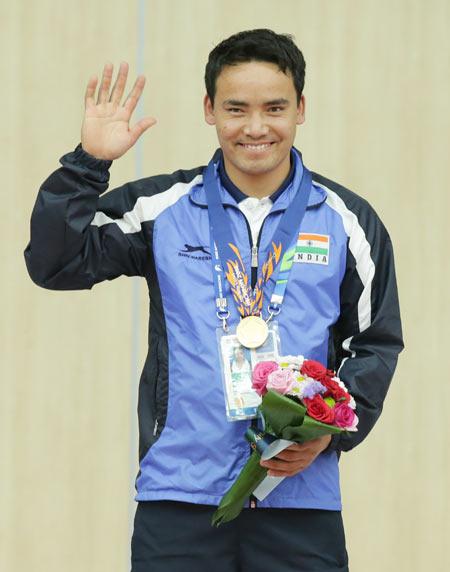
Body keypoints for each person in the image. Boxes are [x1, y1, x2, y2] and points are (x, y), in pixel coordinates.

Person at [24, 28, 403, 572]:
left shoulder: (348, 221)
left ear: (301, 108)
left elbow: (374, 343)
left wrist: (330, 432)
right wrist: (87, 163)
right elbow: (54, 262)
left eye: (274, 107)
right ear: (209, 109)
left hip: (297, 496)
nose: (255, 127)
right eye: (236, 108)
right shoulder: (160, 207)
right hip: (178, 496)